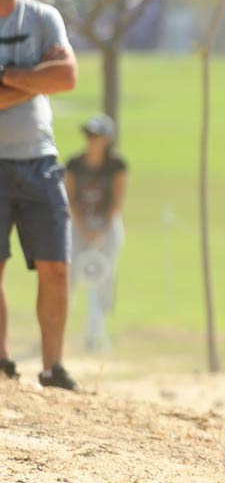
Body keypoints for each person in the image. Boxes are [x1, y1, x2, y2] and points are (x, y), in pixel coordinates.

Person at [0, 0, 79, 390]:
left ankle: (53, 367)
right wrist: (34, 78)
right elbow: (48, 77)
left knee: (56, 265)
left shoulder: (42, 16)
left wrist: (7, 76)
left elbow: (66, 76)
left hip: (39, 159)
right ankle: (3, 360)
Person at [66, 115, 127, 353]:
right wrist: (83, 229)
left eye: (96, 135)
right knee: (70, 275)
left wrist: (100, 232)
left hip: (106, 226)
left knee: (104, 276)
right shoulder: (74, 163)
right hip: (79, 225)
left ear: (107, 139)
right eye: (89, 135)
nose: (91, 140)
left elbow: (117, 201)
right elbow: (70, 199)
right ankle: (64, 328)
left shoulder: (117, 165)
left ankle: (96, 331)